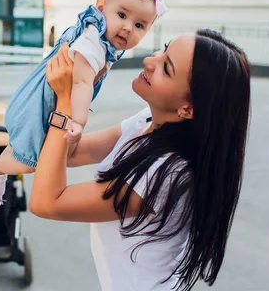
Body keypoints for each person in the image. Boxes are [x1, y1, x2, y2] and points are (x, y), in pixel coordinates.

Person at [29, 30, 251, 291]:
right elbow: (76, 152)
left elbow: (46, 203)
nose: (150, 60)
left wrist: (65, 105)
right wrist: (81, 88)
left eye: (166, 68)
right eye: (163, 49)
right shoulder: (150, 119)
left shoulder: (168, 172)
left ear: (187, 108)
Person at [0, 0, 167, 211]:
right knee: (27, 163)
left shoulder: (99, 35)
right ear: (101, 7)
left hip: (37, 102)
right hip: (41, 106)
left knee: (25, 147)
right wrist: (77, 121)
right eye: (121, 15)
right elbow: (80, 83)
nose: (128, 28)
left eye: (140, 25)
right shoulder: (93, 45)